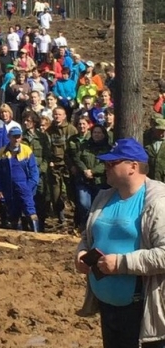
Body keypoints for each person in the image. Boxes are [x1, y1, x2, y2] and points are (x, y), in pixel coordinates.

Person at [75, 138, 165, 348]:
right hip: (107, 307)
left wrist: (121, 264)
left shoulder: (157, 202)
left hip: (141, 310)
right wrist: (81, 253)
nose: (104, 168)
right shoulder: (103, 197)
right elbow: (88, 238)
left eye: (111, 164)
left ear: (133, 166)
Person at [0, 127, 40, 231]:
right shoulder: (2, 153)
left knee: (30, 211)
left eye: (18, 137)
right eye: (14, 137)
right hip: (8, 187)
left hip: (24, 186)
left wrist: (29, 187)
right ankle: (16, 236)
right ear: (9, 137)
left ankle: (36, 234)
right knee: (13, 212)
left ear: (21, 137)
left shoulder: (26, 150)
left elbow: (34, 172)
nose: (16, 139)